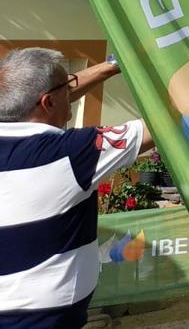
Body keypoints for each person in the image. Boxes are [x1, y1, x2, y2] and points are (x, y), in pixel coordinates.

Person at [0, 48, 155, 327]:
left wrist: (114, 66)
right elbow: (161, 122)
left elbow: (40, 96)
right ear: (47, 102)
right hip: (40, 321)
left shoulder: (19, 120)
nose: (72, 93)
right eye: (67, 88)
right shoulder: (70, 153)